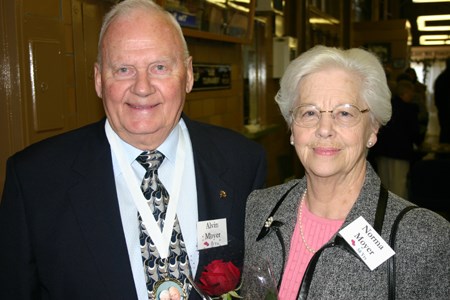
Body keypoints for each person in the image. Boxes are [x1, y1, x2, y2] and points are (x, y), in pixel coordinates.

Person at [0, 1, 267, 299]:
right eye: (124, 69)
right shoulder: (35, 180)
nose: (142, 87)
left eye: (160, 67)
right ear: (100, 79)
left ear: (189, 74)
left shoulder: (243, 162)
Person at [242, 46, 450, 299]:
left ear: (373, 128)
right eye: (309, 112)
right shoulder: (260, 208)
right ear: (292, 128)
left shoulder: (424, 238)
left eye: (344, 113)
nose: (324, 129)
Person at [371, 80, 422, 199]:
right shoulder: (409, 109)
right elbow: (414, 131)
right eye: (411, 93)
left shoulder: (387, 107)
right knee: (399, 185)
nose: (412, 95)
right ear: (405, 93)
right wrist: (419, 143)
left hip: (383, 151)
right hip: (400, 152)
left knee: (384, 183)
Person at [434, 57, 450, 143]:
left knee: (444, 132)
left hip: (443, 111)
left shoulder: (441, 78)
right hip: (444, 110)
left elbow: (437, 98)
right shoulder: (441, 78)